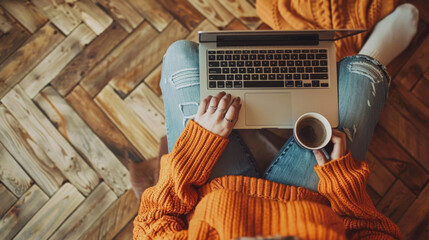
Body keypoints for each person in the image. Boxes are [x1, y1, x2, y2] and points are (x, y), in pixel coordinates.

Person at [133, 4, 418, 239]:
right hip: (311, 194)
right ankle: (371, 55)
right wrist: (342, 179)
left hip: (216, 188)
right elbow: (375, 232)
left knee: (180, 55)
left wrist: (196, 148)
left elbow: (152, 221)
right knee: (362, 75)